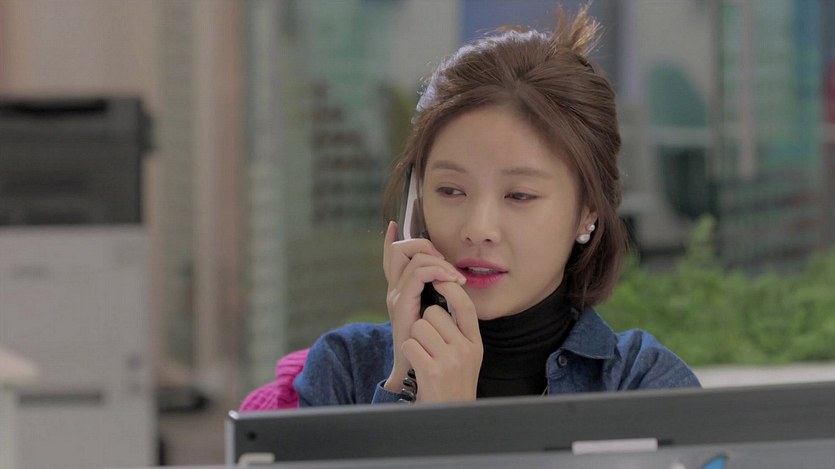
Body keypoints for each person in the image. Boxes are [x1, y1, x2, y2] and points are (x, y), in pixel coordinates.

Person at [293, 5, 700, 406]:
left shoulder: (644, 385)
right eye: (450, 191)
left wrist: (456, 426)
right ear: (416, 201)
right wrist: (405, 385)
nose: (478, 229)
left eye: (519, 195)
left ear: (587, 211)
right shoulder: (344, 369)